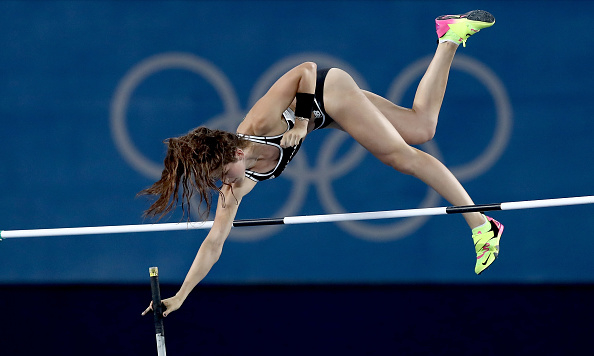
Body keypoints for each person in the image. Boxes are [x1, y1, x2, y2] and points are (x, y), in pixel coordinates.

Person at [142, 10, 504, 318]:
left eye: (221, 175)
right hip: (324, 113)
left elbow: (306, 69)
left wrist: (300, 122)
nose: (224, 184)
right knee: (420, 127)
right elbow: (214, 242)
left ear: (235, 154)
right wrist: (181, 295)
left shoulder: (258, 124)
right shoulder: (238, 183)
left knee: (403, 158)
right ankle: (450, 35)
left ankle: (482, 225)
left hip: (326, 89)